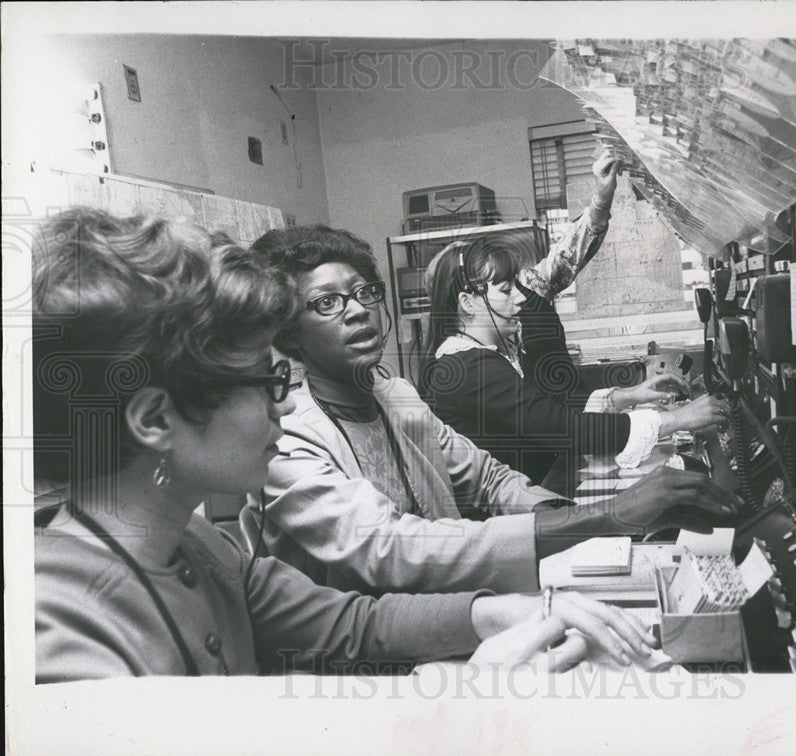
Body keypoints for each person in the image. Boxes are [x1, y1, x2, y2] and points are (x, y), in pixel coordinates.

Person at [32, 207, 658, 682]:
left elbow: (355, 621)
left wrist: (503, 615)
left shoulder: (200, 546)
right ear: (153, 421)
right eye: (265, 379)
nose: (285, 398)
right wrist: (468, 704)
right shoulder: (60, 626)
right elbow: (387, 553)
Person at [242, 222, 736, 598]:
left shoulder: (395, 395)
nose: (356, 310)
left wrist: (585, 521)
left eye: (365, 293)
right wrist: (607, 517)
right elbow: (394, 550)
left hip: (454, 609)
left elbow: (488, 479)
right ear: (288, 330)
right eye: (326, 302)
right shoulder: (284, 439)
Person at [421, 149, 728, 495]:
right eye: (505, 288)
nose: (520, 298)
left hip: (537, 479)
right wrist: (676, 420)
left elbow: (567, 255)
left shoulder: (491, 343)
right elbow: (556, 424)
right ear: (465, 302)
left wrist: (627, 397)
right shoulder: (472, 367)